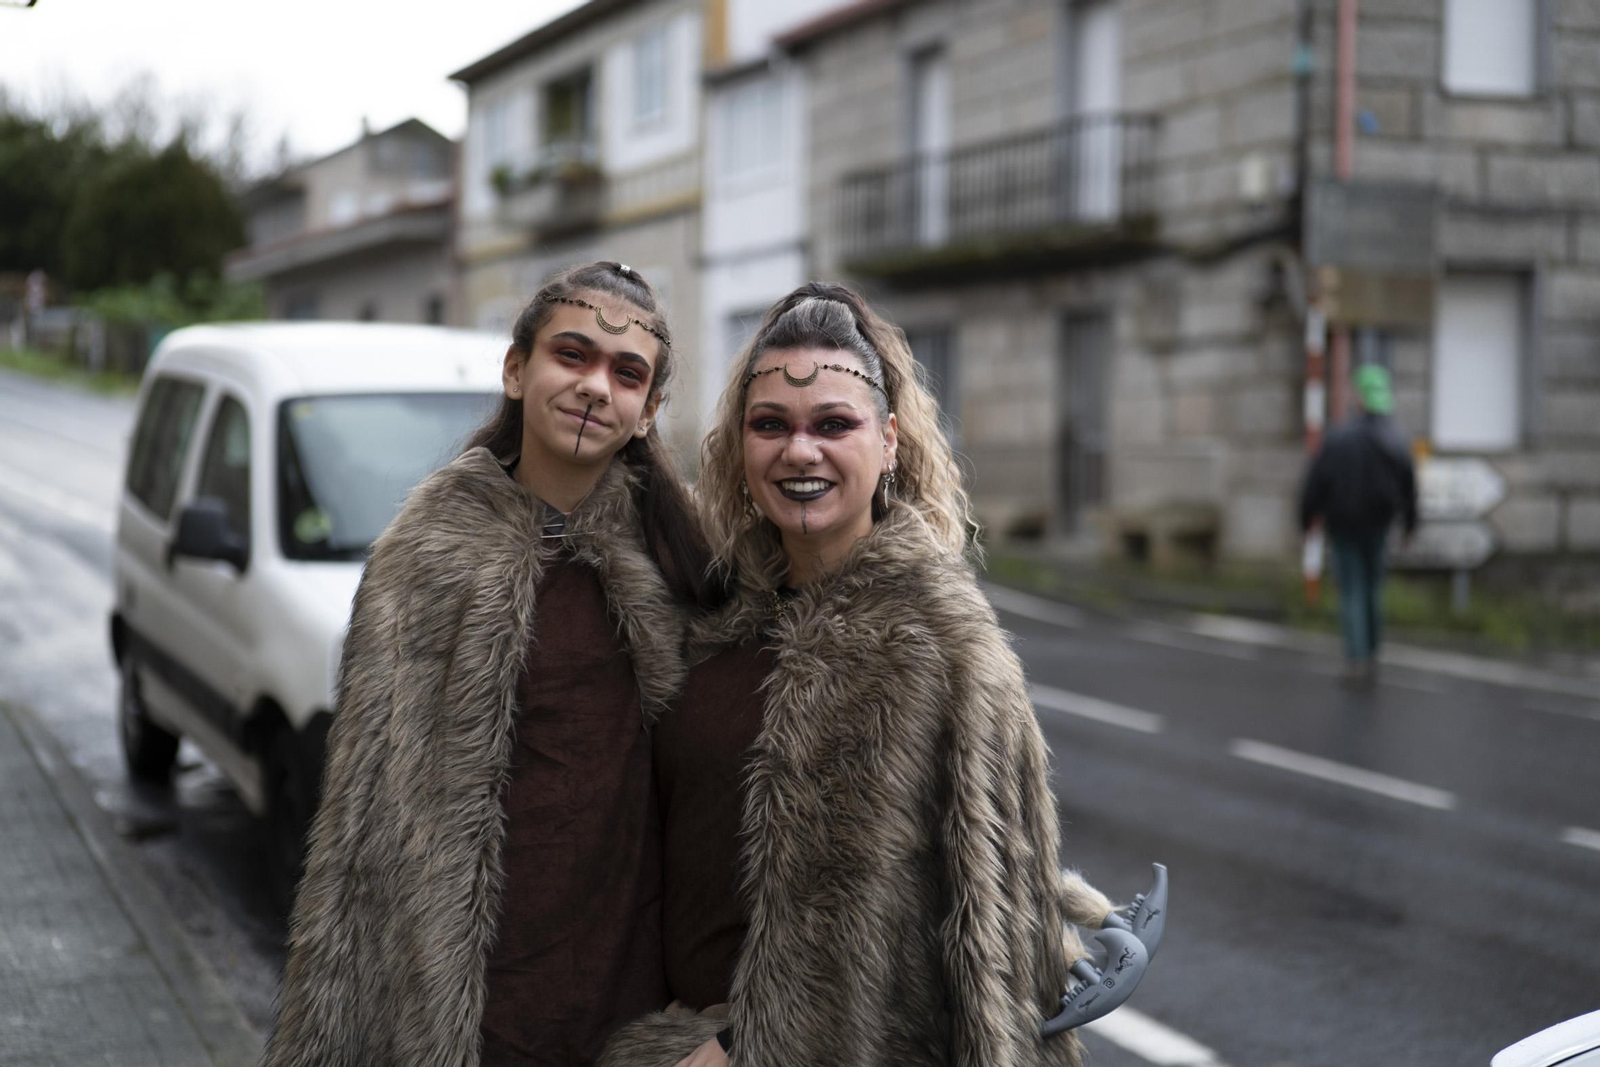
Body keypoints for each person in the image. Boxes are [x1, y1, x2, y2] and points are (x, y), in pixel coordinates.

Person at [600, 283, 1114, 1067]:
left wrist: (744, 1044)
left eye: (833, 424)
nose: (800, 451)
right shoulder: (706, 618)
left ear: (889, 440)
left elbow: (978, 937)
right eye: (771, 425)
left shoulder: (945, 645)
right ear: (740, 445)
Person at [262, 262, 713, 1067]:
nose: (595, 386)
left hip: (636, 1013)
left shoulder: (687, 568)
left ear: (647, 412)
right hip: (475, 1015)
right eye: (571, 355)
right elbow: (363, 826)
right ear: (516, 370)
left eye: (627, 373)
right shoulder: (424, 556)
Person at [1299, 364, 1418, 685]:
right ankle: (1373, 652)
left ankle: (1356, 658)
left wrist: (1307, 520)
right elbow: (1409, 487)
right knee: (1372, 588)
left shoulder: (1338, 436)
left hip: (1342, 526)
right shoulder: (1395, 438)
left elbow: (1315, 481)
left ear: (1359, 397)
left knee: (1351, 588)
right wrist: (1409, 526)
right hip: (1378, 525)